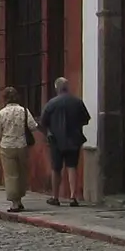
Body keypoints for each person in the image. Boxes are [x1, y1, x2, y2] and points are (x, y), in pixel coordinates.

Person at [40, 77, 92, 206]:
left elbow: (43, 122)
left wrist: (48, 133)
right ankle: (73, 196)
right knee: (72, 166)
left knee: (56, 168)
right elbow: (85, 119)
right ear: (67, 87)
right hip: (74, 138)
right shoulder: (77, 102)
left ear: (57, 88)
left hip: (56, 140)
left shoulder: (51, 103)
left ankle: (55, 196)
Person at [0, 87, 39, 212]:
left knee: (10, 174)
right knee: (22, 173)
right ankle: (20, 199)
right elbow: (33, 126)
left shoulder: (2, 113)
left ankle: (14, 202)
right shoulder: (24, 111)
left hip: (7, 146)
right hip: (22, 145)